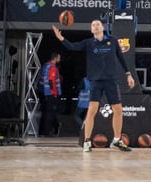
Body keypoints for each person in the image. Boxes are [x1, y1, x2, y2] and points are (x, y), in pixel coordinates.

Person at [53, 18, 136, 152]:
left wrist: (128, 74)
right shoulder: (88, 43)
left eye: (97, 24)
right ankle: (87, 141)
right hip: (96, 81)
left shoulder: (112, 41)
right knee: (92, 110)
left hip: (111, 80)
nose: (95, 26)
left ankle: (116, 140)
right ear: (91, 30)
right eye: (93, 25)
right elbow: (72, 47)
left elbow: (121, 57)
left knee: (118, 110)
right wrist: (61, 38)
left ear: (103, 28)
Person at [40, 51, 62, 136]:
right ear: (55, 58)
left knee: (46, 112)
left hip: (45, 92)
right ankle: (47, 132)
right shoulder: (52, 67)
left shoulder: (46, 66)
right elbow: (51, 81)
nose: (60, 59)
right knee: (50, 113)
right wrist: (55, 93)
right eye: (59, 57)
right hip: (51, 94)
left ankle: (43, 131)